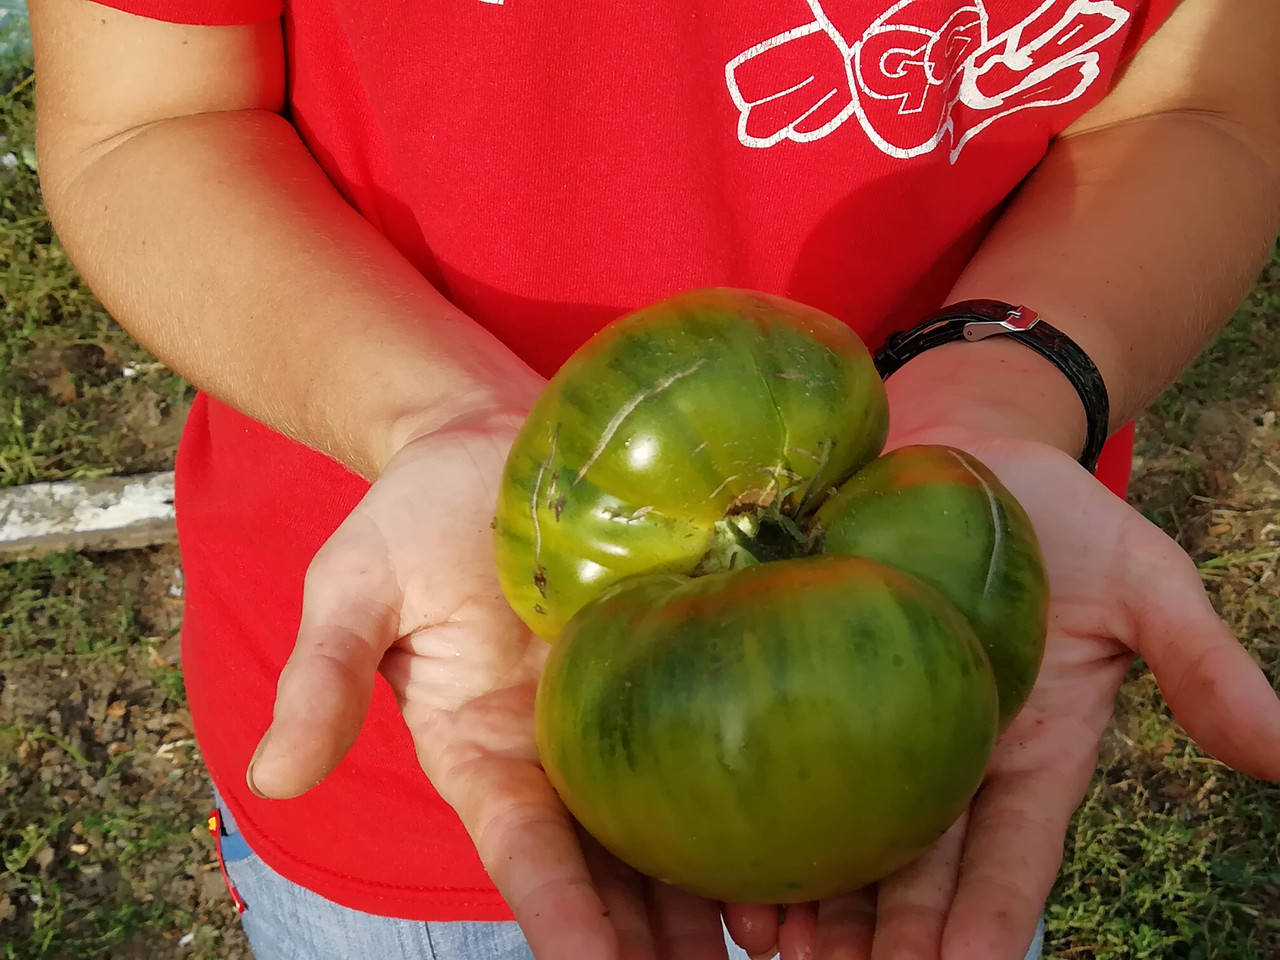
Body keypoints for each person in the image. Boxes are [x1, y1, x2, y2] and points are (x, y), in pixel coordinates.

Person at [28, 0, 1280, 957]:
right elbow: (151, 119)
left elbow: (1199, 102)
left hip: (958, 705)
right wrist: (437, 416)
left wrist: (1006, 387)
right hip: (416, 694)